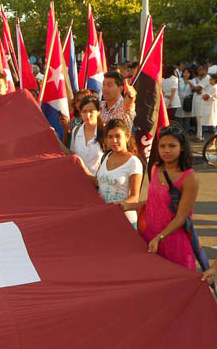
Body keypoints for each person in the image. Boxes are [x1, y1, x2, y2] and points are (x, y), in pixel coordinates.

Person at [122, 126, 199, 270]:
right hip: (150, 237)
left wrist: (160, 237)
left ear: (182, 148)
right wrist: (130, 206)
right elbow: (157, 202)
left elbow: (181, 217)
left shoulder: (189, 177)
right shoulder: (156, 168)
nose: (167, 150)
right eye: (162, 146)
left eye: (172, 146)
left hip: (174, 242)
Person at [84, 119, 142, 226]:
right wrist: (80, 165)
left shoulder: (134, 162)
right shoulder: (106, 156)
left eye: (118, 136)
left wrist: (115, 206)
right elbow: (97, 182)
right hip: (103, 217)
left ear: (127, 136)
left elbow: (135, 197)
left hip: (125, 221)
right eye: (110, 137)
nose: (114, 140)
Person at [69, 96, 105, 175]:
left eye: (91, 111)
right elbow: (72, 154)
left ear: (98, 111)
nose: (87, 115)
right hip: (78, 179)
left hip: (98, 183)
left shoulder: (105, 132)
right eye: (84, 111)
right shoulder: (76, 131)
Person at [191, 65, 210, 142]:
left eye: (200, 70)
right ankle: (199, 136)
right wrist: (195, 88)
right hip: (198, 101)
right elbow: (198, 90)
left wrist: (192, 86)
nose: (198, 71)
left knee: (200, 120)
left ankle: (200, 137)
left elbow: (198, 88)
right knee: (198, 120)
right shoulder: (203, 79)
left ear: (204, 70)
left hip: (201, 102)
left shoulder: (207, 78)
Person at [201, 74, 217, 145]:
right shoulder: (215, 87)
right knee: (211, 126)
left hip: (211, 109)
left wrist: (204, 95)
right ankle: (212, 142)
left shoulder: (214, 88)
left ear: (214, 80)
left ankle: (213, 143)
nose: (210, 80)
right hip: (210, 109)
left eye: (211, 79)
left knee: (212, 127)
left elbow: (205, 97)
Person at [176, 68, 194, 134]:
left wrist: (190, 83)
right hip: (180, 101)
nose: (186, 74)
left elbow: (194, 90)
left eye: (187, 73)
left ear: (190, 74)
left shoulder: (193, 80)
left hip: (188, 102)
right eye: (184, 73)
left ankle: (185, 134)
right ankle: (180, 133)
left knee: (187, 119)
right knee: (179, 118)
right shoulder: (179, 80)